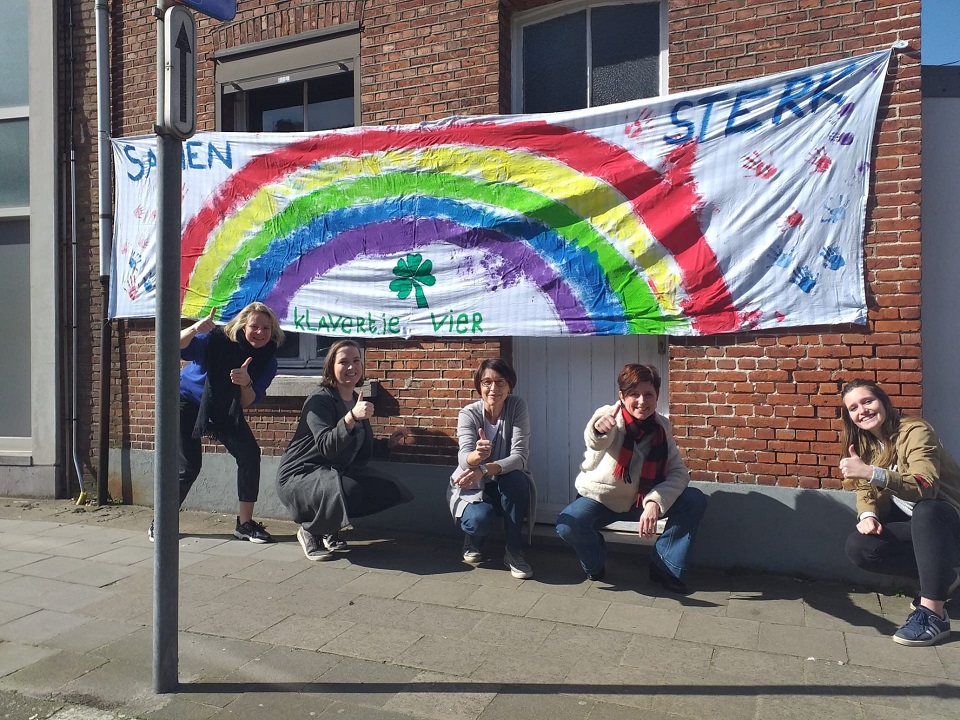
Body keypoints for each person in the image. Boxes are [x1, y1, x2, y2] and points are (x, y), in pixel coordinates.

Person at [556, 363, 707, 594]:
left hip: (641, 501)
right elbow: (596, 438)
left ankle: (664, 566)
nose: (641, 401)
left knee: (694, 500)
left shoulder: (661, 427)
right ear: (621, 396)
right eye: (633, 394)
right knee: (569, 526)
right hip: (601, 499)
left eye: (648, 394)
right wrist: (600, 429)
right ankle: (595, 562)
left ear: (657, 397)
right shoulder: (609, 416)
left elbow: (679, 472)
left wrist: (655, 501)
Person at [839, 378, 960, 647]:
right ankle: (945, 580)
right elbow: (864, 490)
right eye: (854, 407)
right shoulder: (865, 444)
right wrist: (867, 515)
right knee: (860, 546)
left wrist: (872, 472)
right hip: (919, 529)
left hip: (949, 522)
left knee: (926, 511)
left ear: (883, 401)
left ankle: (933, 614)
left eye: (868, 401)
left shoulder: (915, 431)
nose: (863, 411)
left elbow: (925, 486)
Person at [151, 302, 284, 543]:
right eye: (255, 326)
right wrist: (194, 330)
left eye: (266, 328)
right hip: (186, 401)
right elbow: (174, 345)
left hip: (225, 408)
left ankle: (244, 524)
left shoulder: (267, 360)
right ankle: (162, 520)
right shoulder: (217, 340)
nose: (260, 332)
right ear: (243, 326)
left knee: (249, 454)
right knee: (189, 466)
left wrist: (245, 382)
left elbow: (246, 401)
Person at [276, 339, 414, 561]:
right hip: (300, 475)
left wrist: (387, 444)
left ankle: (330, 527)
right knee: (349, 491)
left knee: (388, 489)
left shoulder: (355, 399)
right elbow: (327, 446)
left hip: (331, 472)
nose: (351, 367)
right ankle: (311, 530)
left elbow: (358, 445)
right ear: (331, 366)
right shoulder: (319, 401)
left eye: (356, 361)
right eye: (344, 362)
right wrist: (350, 418)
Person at [448, 358, 537, 579]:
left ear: (510, 385)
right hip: (472, 486)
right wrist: (477, 455)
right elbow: (463, 459)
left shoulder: (517, 406)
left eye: (500, 382)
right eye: (487, 382)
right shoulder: (469, 413)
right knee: (478, 520)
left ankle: (514, 551)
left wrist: (485, 468)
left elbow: (520, 456)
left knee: (517, 480)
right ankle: (473, 539)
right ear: (479, 385)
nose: (493, 388)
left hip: (502, 482)